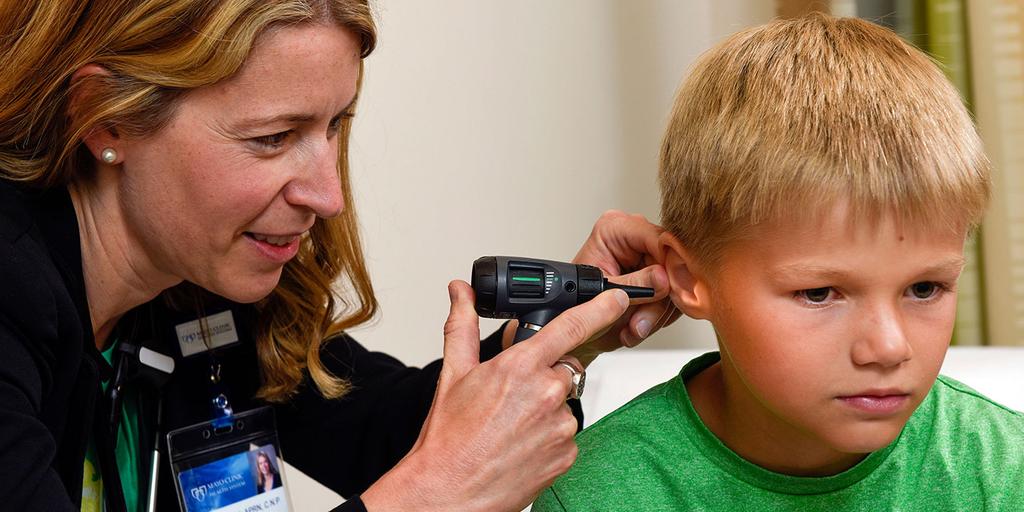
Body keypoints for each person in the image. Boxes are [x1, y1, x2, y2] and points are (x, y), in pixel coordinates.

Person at [0, 2, 673, 511]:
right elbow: (424, 477)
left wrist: (566, 328)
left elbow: (378, 435)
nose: (328, 197)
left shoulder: (201, 288)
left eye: (333, 126)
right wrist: (431, 498)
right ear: (104, 117)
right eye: (271, 138)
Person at [533, 13, 1024, 511]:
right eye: (818, 293)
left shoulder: (1007, 471)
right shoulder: (600, 493)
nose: (889, 348)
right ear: (687, 277)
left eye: (925, 289)